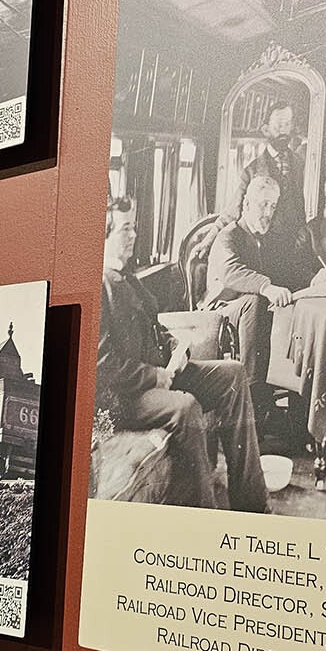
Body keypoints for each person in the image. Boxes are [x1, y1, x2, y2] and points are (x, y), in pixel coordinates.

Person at [99, 198, 267, 511]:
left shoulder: (129, 277)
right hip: (124, 398)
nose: (134, 235)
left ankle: (253, 504)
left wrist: (176, 346)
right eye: (125, 229)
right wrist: (155, 376)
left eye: (134, 227)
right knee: (185, 406)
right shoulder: (99, 284)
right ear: (103, 235)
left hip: (162, 374)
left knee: (233, 373)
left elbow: (152, 329)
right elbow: (100, 365)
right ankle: (202, 513)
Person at [205, 176, 303, 397]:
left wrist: (314, 278)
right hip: (221, 309)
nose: (268, 212)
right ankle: (253, 390)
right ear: (247, 204)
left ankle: (297, 398)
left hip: (252, 311)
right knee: (255, 301)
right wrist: (267, 287)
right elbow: (232, 272)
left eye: (273, 206)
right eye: (263, 205)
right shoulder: (228, 235)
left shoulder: (270, 240)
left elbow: (289, 270)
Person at [223, 101, 308, 241]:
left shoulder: (302, 164)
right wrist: (208, 241)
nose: (283, 130)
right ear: (265, 129)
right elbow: (232, 212)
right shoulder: (251, 170)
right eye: (279, 124)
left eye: (287, 124)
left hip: (297, 247)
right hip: (264, 246)